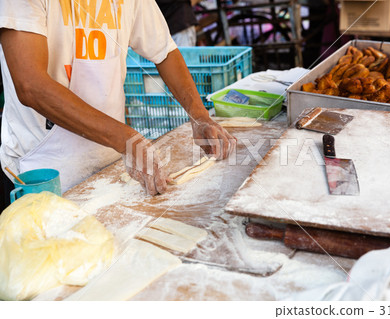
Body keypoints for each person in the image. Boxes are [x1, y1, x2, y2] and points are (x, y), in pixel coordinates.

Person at [0, 0, 236, 210]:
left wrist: (199, 116)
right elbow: (31, 85)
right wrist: (126, 139)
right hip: (41, 173)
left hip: (109, 162)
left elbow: (165, 51)